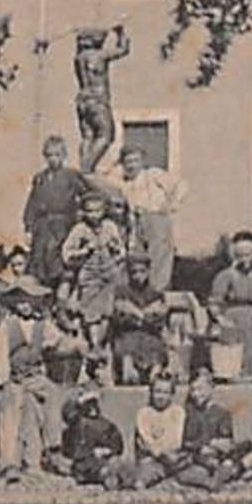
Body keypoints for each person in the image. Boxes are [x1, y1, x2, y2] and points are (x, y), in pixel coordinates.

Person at [0, 283, 61, 483]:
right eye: (20, 301)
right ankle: (9, 463)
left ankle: (53, 446)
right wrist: (1, 379)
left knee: (51, 394)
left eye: (29, 300)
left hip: (34, 376)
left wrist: (46, 344)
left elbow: (55, 339)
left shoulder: (41, 324)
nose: (25, 305)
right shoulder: (8, 325)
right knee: (10, 414)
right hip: (15, 377)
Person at [61, 191, 128, 370]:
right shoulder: (79, 229)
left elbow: (122, 251)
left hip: (109, 274)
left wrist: (115, 250)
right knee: (91, 313)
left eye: (98, 211)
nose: (94, 215)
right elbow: (66, 254)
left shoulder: (110, 227)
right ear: (84, 212)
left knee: (106, 311)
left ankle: (100, 344)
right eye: (89, 211)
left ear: (104, 211)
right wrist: (84, 251)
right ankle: (93, 344)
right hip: (89, 275)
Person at [177, 368, 252, 490]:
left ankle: (230, 472)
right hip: (199, 456)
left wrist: (217, 446)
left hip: (218, 456)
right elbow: (186, 441)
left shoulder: (221, 413)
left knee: (246, 455)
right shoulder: (190, 413)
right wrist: (205, 445)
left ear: (211, 388)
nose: (196, 394)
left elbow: (226, 441)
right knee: (185, 473)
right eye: (192, 390)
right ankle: (226, 476)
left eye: (200, 389)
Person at [118, 144, 187, 292]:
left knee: (159, 259)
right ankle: (140, 293)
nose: (132, 165)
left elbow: (181, 185)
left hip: (156, 218)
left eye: (135, 161)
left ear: (142, 161)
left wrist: (173, 203)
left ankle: (157, 292)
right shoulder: (125, 184)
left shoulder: (153, 174)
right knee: (137, 259)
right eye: (128, 162)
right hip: (136, 222)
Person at [22, 136, 86, 284]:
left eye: (57, 155)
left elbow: (87, 194)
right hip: (42, 226)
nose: (53, 159)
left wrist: (81, 214)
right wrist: (28, 228)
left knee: (58, 261)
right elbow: (32, 204)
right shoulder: (40, 178)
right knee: (39, 261)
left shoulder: (71, 176)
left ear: (64, 156)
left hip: (63, 225)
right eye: (49, 155)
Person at [209, 230, 252, 380]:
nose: (245, 259)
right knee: (234, 362)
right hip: (233, 322)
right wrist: (222, 320)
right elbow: (214, 303)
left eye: (248, 254)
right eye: (240, 255)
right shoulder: (226, 276)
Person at [74, 25, 130, 173]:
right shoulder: (99, 55)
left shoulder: (79, 58)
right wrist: (121, 33)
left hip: (82, 100)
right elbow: (123, 50)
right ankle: (86, 168)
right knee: (106, 135)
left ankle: (84, 166)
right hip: (98, 99)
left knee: (88, 136)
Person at [50, 383, 126, 489]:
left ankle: (113, 476)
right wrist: (79, 400)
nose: (92, 407)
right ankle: (104, 475)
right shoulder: (78, 423)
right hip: (84, 462)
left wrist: (107, 451)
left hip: (104, 459)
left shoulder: (105, 424)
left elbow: (117, 443)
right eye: (88, 404)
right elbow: (68, 415)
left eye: (94, 403)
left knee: (117, 464)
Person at [111, 253, 171, 384]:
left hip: (150, 335)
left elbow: (159, 320)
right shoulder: (122, 292)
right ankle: (128, 374)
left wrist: (135, 313)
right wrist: (145, 314)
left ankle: (155, 375)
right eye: (134, 272)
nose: (138, 276)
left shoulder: (156, 294)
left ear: (148, 271)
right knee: (125, 346)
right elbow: (120, 319)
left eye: (142, 271)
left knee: (156, 346)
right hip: (128, 335)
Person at [128, 373, 190, 489]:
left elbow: (176, 441)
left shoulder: (177, 412)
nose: (161, 396)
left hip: (173, 461)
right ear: (151, 393)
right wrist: (160, 450)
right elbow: (146, 441)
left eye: (165, 392)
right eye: (157, 391)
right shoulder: (144, 413)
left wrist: (161, 447)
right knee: (140, 481)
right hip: (151, 461)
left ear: (172, 394)